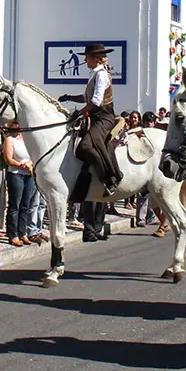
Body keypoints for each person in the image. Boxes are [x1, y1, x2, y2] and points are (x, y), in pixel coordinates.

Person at [57, 44, 121, 242]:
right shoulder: (95, 73)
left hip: (104, 117)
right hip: (96, 114)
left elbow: (96, 101)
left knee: (86, 145)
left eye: (87, 57)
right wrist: (70, 97)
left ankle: (110, 177)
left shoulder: (101, 75)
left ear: (94, 57)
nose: (85, 60)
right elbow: (87, 97)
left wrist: (80, 111)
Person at [3, 124, 38, 247]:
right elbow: (8, 159)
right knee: (15, 205)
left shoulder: (27, 139)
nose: (18, 126)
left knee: (25, 205)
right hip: (16, 174)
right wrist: (22, 165)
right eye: (15, 123)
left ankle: (22, 232)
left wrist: (30, 164)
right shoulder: (10, 139)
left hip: (29, 174)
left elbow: (35, 155)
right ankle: (13, 234)